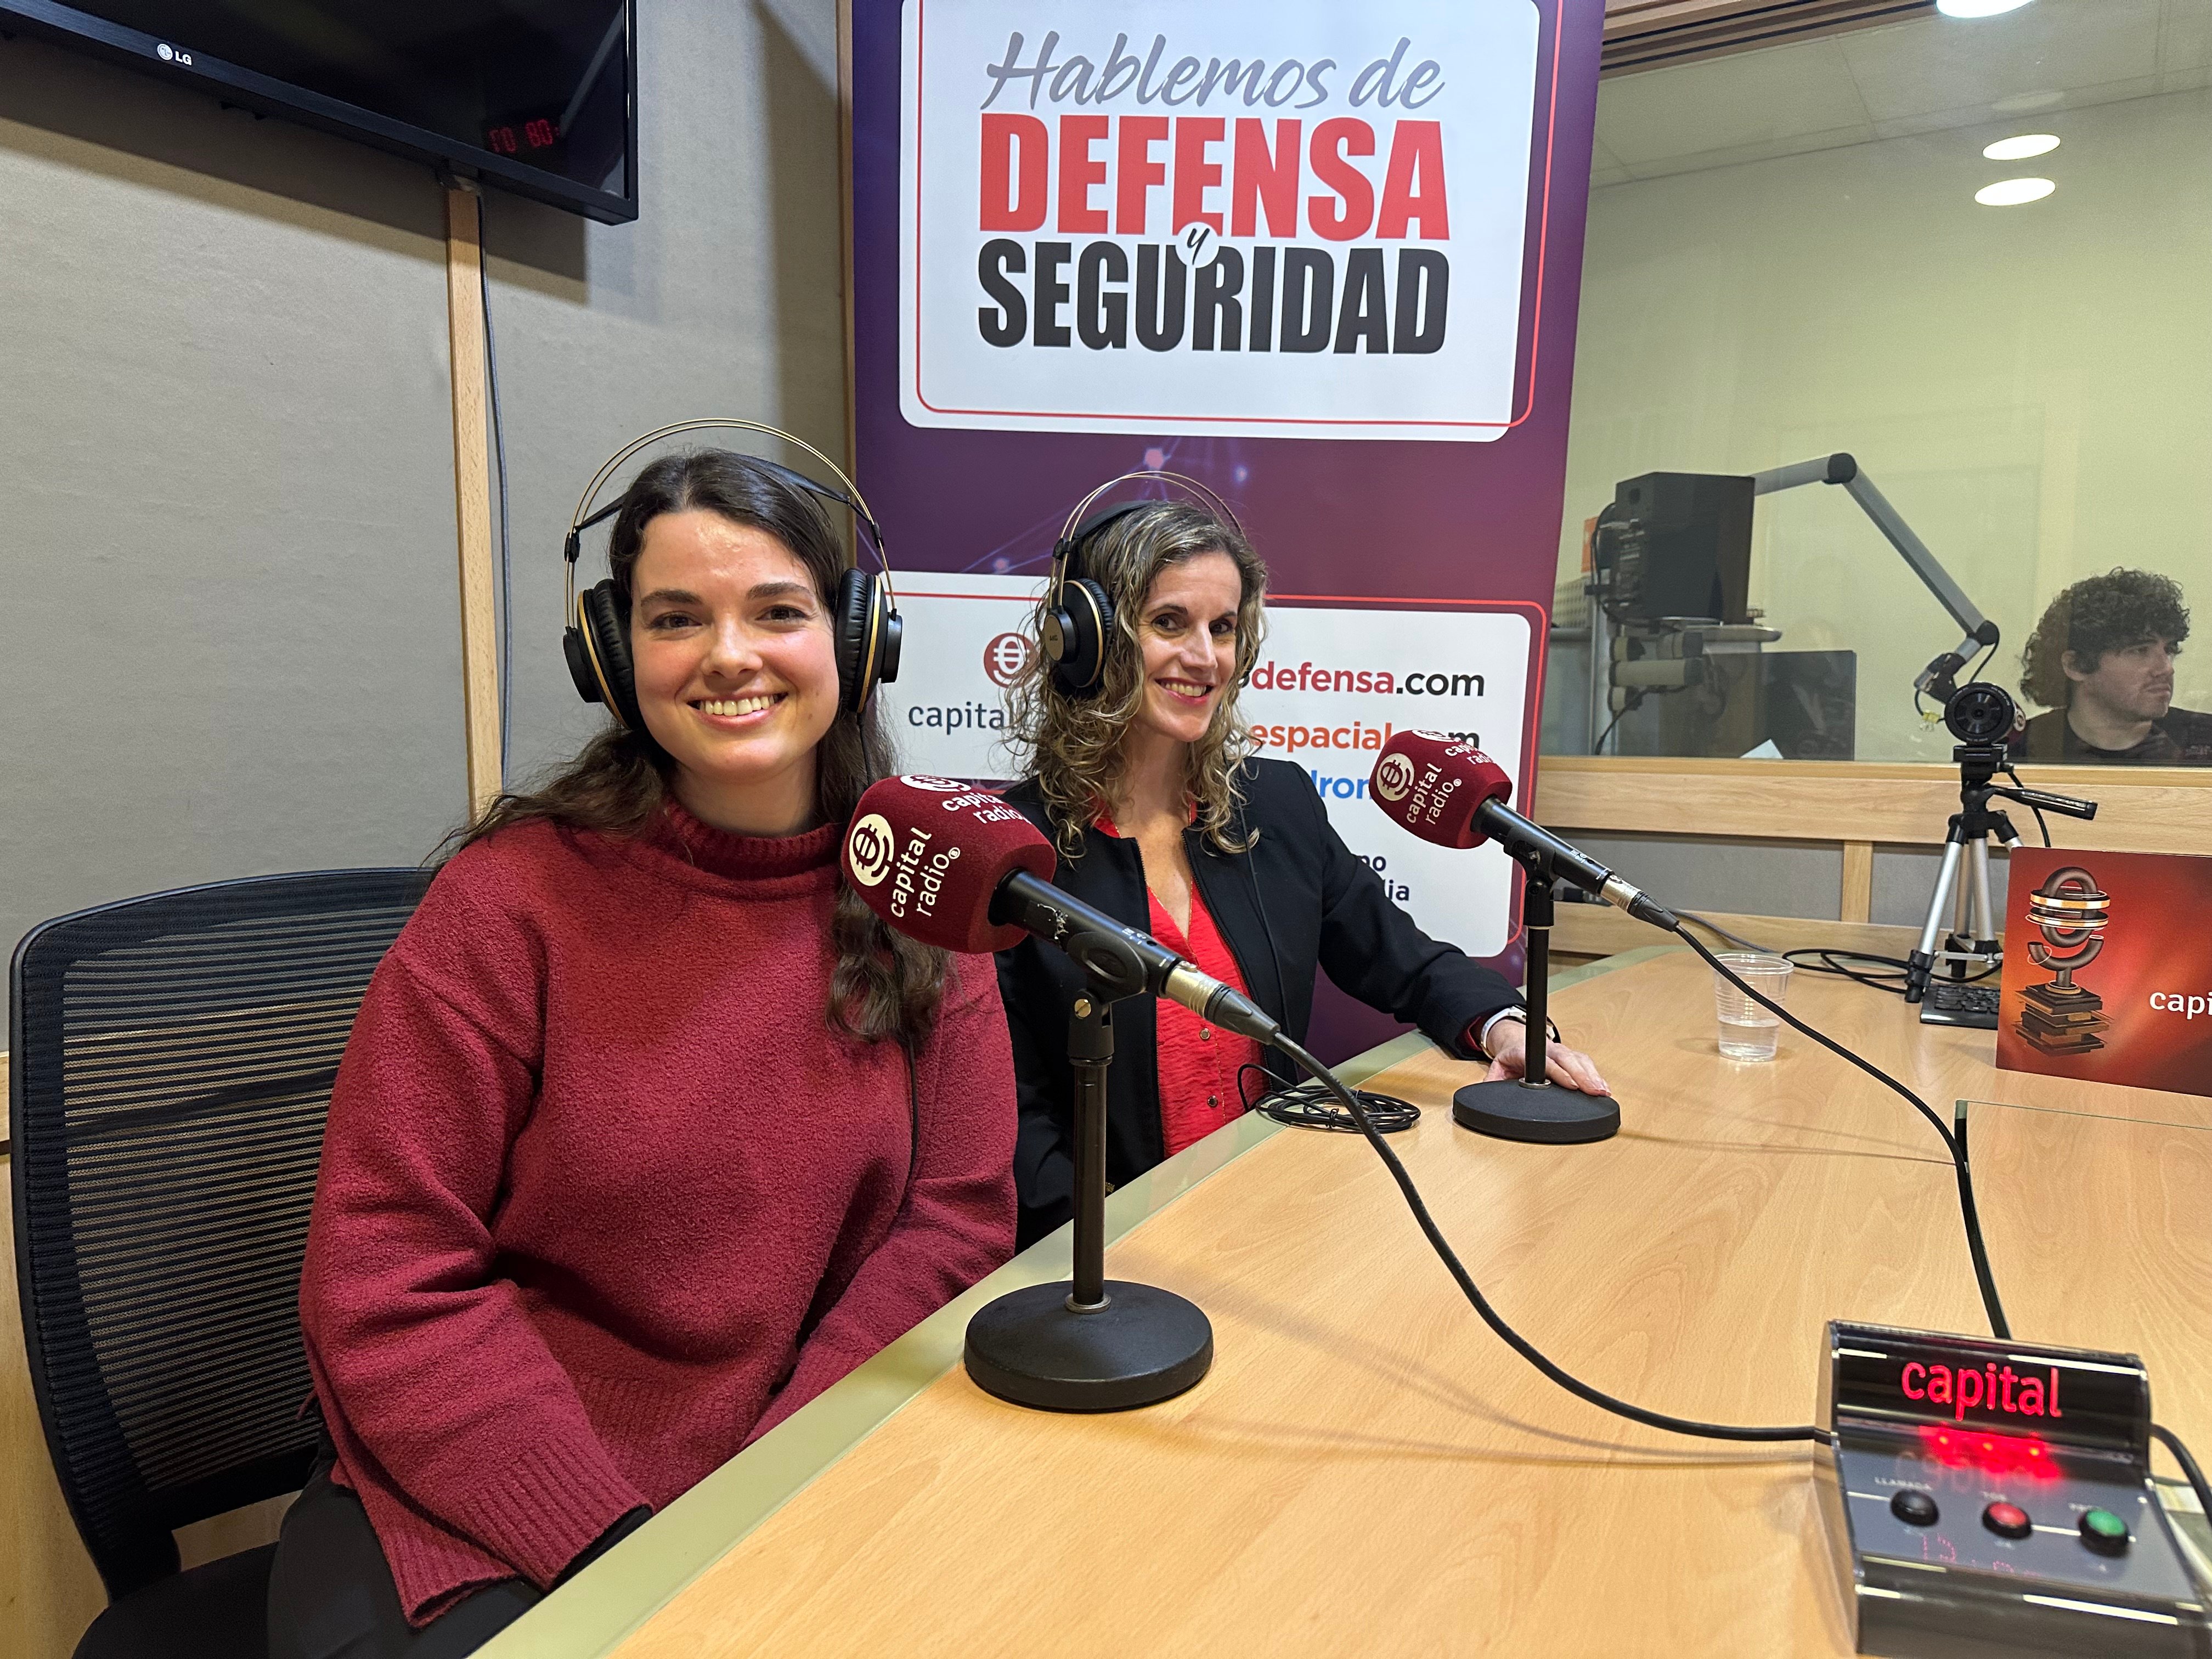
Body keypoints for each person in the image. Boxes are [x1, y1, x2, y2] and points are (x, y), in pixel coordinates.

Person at [268, 450, 1017, 1657]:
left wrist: (783, 1477)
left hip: (792, 1470)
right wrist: (611, 1539)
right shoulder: (508, 907)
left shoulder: (920, 891)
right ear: (614, 657)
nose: (730, 654)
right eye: (678, 619)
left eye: (778, 611)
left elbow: (958, 1220)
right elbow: (384, 1273)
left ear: (856, 637)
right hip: (488, 1484)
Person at [995, 496, 1608, 1248]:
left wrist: (1504, 1024)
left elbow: (1403, 961)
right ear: (1086, 640)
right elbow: (1012, 1121)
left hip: (1274, 1228)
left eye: (1224, 629)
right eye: (1168, 623)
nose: (1205, 657)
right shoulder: (1013, 852)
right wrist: (1109, 1245)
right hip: (1109, 1260)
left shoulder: (1275, 807)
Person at [2012, 568, 2212, 764]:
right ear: (2076, 666)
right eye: (2140, 651)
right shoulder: (2019, 752)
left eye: (2168, 650)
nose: (2167, 668)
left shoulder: (2204, 741)